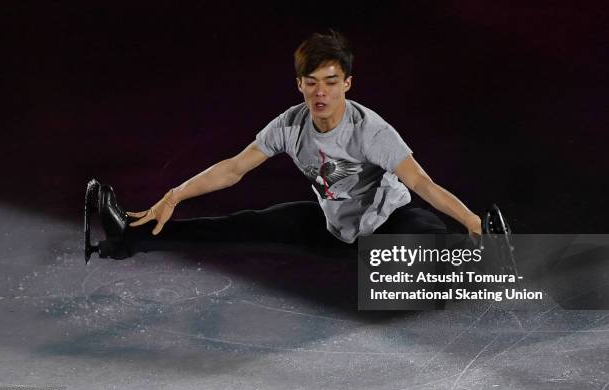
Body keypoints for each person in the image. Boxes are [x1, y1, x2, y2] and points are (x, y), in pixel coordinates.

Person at [88, 30, 481, 261]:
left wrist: (468, 220)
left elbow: (421, 183)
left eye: (330, 81)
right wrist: (174, 195)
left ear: (347, 83)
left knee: (424, 233)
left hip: (387, 225)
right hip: (336, 230)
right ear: (300, 85)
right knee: (246, 223)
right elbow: (234, 168)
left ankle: (479, 261)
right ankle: (128, 237)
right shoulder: (290, 125)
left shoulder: (371, 130)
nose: (320, 92)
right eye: (311, 82)